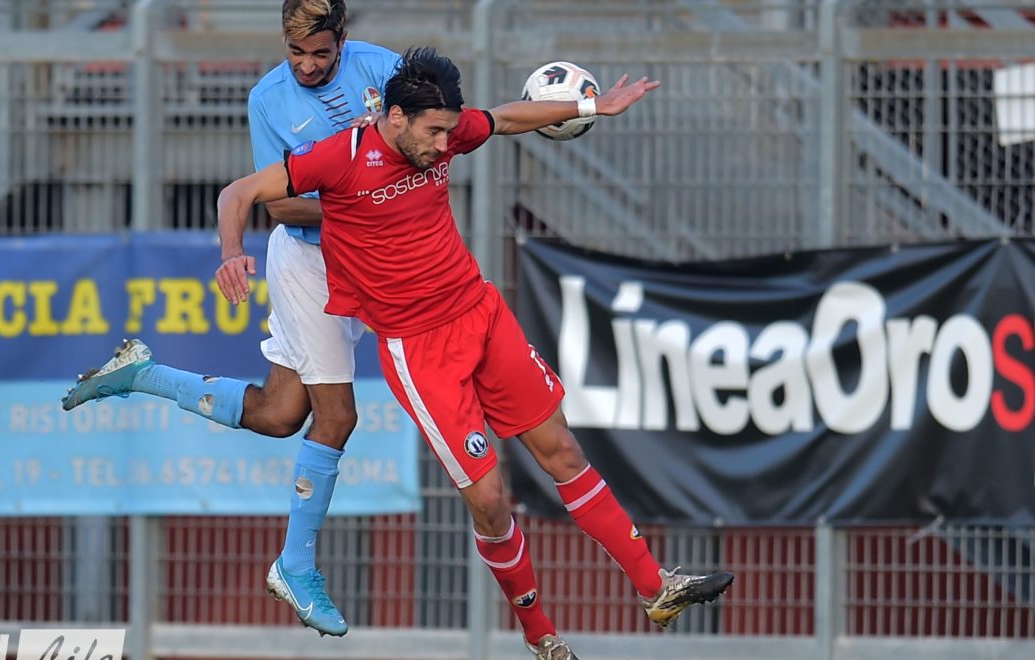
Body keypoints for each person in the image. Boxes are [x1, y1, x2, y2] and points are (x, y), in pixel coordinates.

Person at [213, 46, 735, 660]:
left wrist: (593, 106)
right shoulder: (342, 156)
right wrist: (232, 252)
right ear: (397, 118)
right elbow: (239, 192)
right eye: (434, 133)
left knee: (562, 449)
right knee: (489, 501)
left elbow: (506, 117)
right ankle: (540, 634)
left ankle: (656, 587)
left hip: (481, 314)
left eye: (449, 132)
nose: (445, 145)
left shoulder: (443, 131)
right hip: (419, 350)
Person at [60, 0, 399, 638]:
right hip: (311, 265)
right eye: (295, 53)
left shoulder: (385, 70)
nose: (306, 66)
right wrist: (361, 205)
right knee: (338, 417)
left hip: (374, 258)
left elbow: (430, 138)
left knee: (280, 414)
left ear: (343, 40)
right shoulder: (268, 99)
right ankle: (295, 565)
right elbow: (282, 206)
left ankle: (142, 375)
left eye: (320, 54)